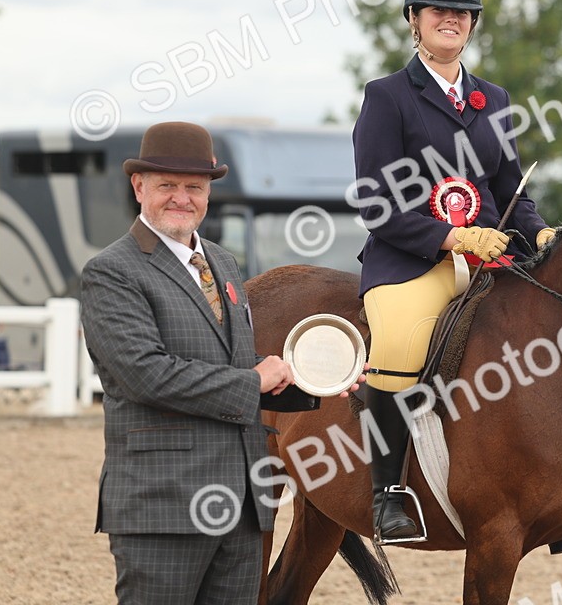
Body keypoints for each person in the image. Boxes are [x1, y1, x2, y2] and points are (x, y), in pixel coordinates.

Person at [81, 121, 356, 604]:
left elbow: (232, 361)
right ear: (138, 186)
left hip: (242, 505)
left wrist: (319, 380)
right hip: (163, 505)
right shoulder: (112, 271)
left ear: (208, 193)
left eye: (194, 187)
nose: (181, 198)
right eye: (166, 185)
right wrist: (254, 379)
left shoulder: (223, 265)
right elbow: (145, 375)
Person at [352, 0, 557, 542]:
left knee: (561, 329)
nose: (452, 19)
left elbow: (510, 192)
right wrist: (450, 236)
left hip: (494, 256)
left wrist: (538, 231)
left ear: (473, 24)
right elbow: (376, 203)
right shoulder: (388, 97)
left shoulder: (493, 100)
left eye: (463, 12)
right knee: (396, 340)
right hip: (413, 259)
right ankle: (387, 490)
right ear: (414, 19)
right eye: (439, 10)